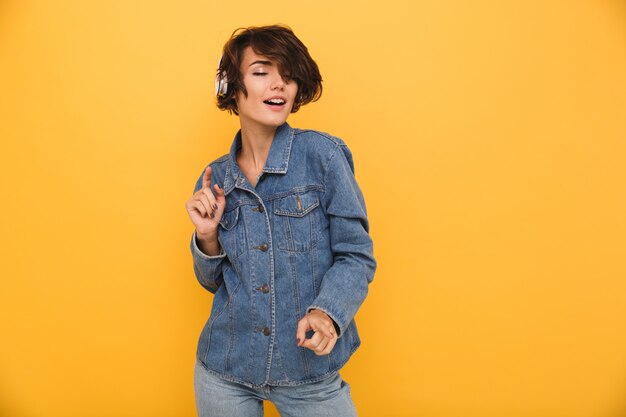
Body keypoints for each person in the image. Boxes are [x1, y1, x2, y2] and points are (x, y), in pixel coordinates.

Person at [185, 24, 377, 417]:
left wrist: (327, 312)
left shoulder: (322, 156)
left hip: (308, 371)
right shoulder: (215, 178)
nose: (279, 85)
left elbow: (356, 255)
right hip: (224, 370)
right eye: (261, 72)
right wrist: (207, 237)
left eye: (288, 75)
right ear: (232, 87)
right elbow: (213, 283)